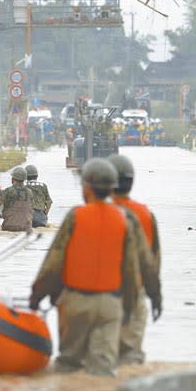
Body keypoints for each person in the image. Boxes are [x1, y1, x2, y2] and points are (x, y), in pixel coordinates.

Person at [28, 158, 142, 377]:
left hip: (76, 303)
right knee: (104, 369)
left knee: (70, 365)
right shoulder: (124, 219)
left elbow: (54, 261)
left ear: (87, 187)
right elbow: (131, 268)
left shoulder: (76, 216)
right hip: (111, 304)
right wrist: (129, 306)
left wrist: (37, 294)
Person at [107, 154, 162, 365]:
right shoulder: (145, 214)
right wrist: (155, 296)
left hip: (99, 294)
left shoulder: (91, 213)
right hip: (133, 293)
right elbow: (152, 261)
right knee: (130, 360)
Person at [0, 167, 33, 232]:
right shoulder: (30, 192)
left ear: (13, 179)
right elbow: (31, 208)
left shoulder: (8, 190)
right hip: (26, 227)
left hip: (9, 226)